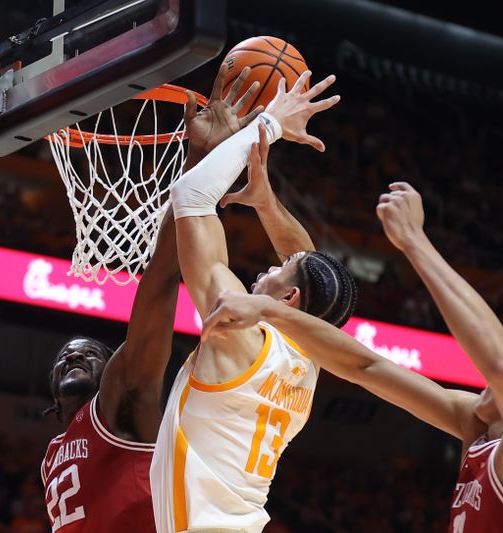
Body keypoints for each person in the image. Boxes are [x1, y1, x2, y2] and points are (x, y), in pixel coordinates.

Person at [202, 182, 503, 532]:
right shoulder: (478, 426)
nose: (488, 374)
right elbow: (367, 367)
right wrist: (272, 310)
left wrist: (416, 243)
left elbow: (500, 367)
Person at [40, 64, 265, 533]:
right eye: (66, 357)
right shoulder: (53, 457)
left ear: (115, 370)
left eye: (90, 355)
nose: (73, 356)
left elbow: (160, 282)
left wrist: (198, 169)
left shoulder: (122, 399)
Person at [151, 71, 357, 533]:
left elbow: (192, 196)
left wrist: (269, 125)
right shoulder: (308, 360)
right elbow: (306, 261)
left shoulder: (239, 334)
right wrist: (265, 202)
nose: (263, 270)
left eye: (274, 272)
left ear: (290, 297)